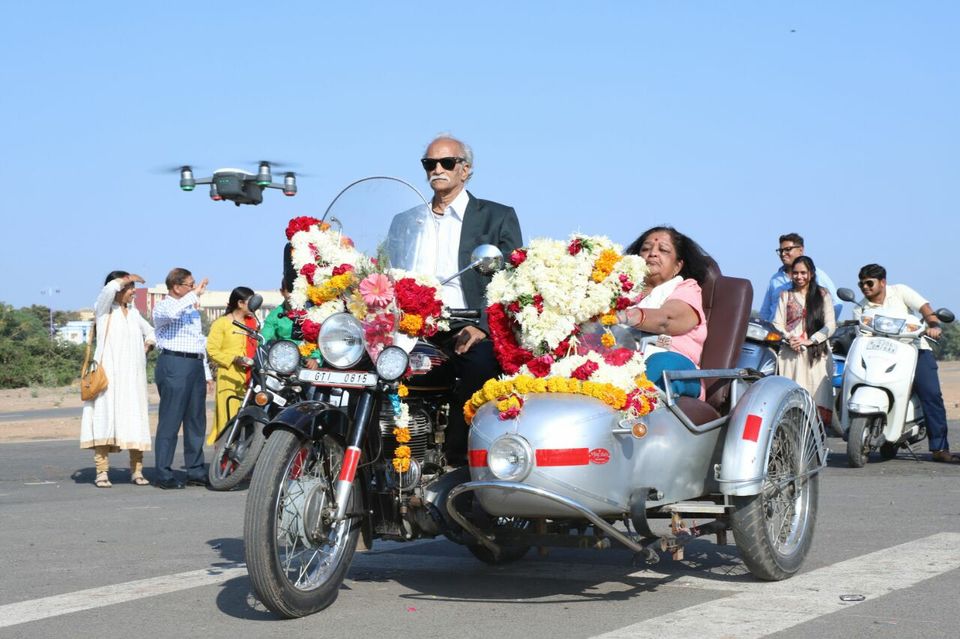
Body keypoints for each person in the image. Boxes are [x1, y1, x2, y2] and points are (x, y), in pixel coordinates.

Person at [387, 134, 523, 463]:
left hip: (467, 322)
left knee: (481, 364)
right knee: (365, 367)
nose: (437, 169)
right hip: (410, 324)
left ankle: (458, 460)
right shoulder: (405, 221)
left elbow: (513, 279)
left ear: (465, 170)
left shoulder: (497, 216)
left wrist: (484, 326)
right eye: (429, 163)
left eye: (446, 162)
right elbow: (386, 271)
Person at [854, 264, 957, 463]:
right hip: (881, 355)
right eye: (861, 284)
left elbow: (924, 308)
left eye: (869, 283)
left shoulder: (900, 291)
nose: (865, 288)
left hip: (914, 349)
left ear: (883, 282)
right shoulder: (860, 308)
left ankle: (940, 448)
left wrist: (933, 325)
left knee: (931, 394)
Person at [80, 271, 155, 487]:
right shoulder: (103, 309)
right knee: (105, 419)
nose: (133, 292)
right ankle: (101, 472)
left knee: (135, 420)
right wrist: (124, 279)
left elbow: (151, 332)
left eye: (133, 287)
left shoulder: (133, 313)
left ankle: (137, 471)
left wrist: (147, 345)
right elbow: (107, 292)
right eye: (129, 287)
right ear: (118, 288)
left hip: (133, 379)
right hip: (109, 378)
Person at [619, 226, 711, 398]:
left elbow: (667, 320)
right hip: (623, 362)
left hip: (674, 367)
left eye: (663, 250)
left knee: (659, 363)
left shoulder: (687, 288)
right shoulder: (621, 291)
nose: (652, 253)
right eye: (645, 249)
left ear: (678, 266)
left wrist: (626, 316)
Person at [152, 268, 212, 489]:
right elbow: (172, 313)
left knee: (196, 420)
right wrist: (193, 294)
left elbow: (198, 341)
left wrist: (205, 372)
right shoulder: (164, 306)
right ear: (176, 287)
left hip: (194, 364)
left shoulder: (191, 309)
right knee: (170, 420)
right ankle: (163, 473)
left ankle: (195, 469)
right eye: (189, 284)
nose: (194, 288)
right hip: (174, 364)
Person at [773, 256, 836, 425]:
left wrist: (811, 340)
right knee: (792, 399)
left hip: (817, 355)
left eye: (803, 273)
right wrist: (789, 338)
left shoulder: (823, 294)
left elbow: (831, 325)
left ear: (812, 274)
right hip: (791, 355)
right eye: (795, 273)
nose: (799, 277)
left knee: (818, 399)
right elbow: (777, 324)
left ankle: (816, 446)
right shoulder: (785, 295)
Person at [205, 286, 257, 445]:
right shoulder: (221, 323)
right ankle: (223, 460)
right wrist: (234, 359)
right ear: (240, 303)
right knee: (228, 418)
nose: (255, 305)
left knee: (247, 420)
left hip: (251, 377)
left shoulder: (252, 323)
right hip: (229, 376)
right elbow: (212, 350)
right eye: (251, 302)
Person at [759, 233, 841, 323]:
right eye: (780, 250)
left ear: (801, 250)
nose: (783, 254)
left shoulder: (817, 275)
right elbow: (765, 312)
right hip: (776, 333)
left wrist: (821, 330)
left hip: (807, 335)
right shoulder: (775, 279)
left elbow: (836, 304)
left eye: (787, 249)